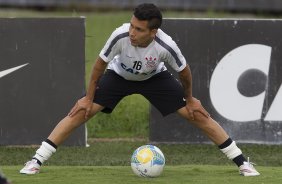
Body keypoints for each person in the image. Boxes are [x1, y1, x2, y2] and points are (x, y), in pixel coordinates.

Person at [20, 3, 260, 176]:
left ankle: (242, 163)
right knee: (79, 112)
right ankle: (36, 161)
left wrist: (190, 99)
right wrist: (88, 98)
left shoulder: (166, 46)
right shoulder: (120, 35)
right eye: (132, 26)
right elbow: (98, 66)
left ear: (153, 32)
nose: (132, 32)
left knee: (196, 114)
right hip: (118, 76)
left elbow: (184, 72)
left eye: (139, 29)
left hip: (154, 78)